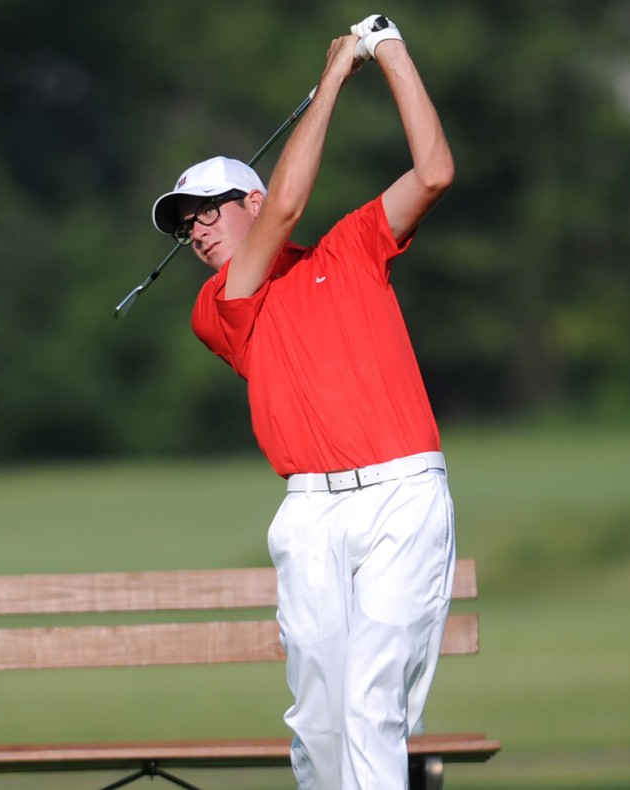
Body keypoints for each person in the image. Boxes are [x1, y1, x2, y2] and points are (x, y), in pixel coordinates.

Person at [152, 15, 455, 790]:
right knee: (318, 723)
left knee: (369, 705)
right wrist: (330, 82)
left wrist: (388, 51)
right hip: (311, 514)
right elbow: (286, 207)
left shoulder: (351, 248)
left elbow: (433, 171)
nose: (196, 231)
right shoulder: (222, 302)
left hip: (403, 497)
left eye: (209, 209)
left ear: (246, 198)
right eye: (185, 224)